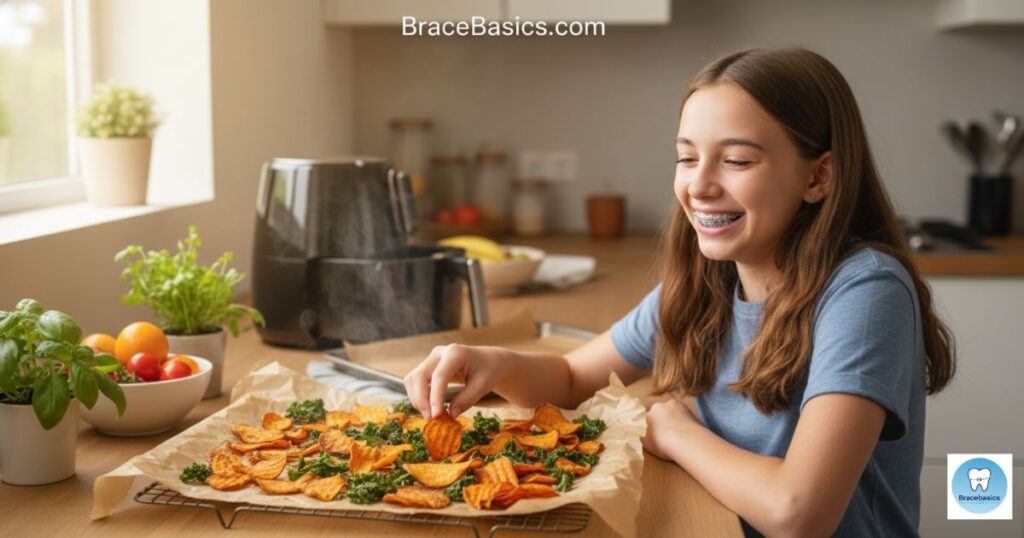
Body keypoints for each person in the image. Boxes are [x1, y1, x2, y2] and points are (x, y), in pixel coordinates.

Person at [403, 48, 955, 537]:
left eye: (736, 160)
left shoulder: (865, 292)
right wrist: (495, 363)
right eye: (687, 157)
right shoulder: (708, 281)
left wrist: (673, 433)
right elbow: (571, 379)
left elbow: (799, 513)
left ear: (818, 178)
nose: (699, 185)